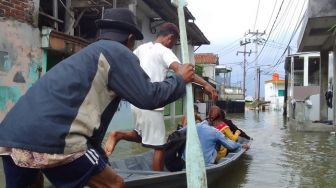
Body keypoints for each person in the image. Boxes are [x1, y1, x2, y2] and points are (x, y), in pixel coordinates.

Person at [0, 8, 195, 188]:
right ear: (129, 39)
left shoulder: (87, 53)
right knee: (115, 184)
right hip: (55, 138)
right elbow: (150, 97)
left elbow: (92, 126)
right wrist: (179, 80)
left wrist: (101, 159)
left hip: (12, 136)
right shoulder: (118, 51)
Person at [104, 22, 217, 171]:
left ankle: (117, 134)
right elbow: (183, 72)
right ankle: (157, 179)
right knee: (160, 147)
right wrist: (206, 85)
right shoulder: (163, 50)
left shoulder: (141, 48)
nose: (173, 45)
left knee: (140, 136)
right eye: (174, 41)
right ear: (170, 38)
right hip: (152, 103)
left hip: (135, 102)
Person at [179, 120, 249, 165]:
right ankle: (214, 162)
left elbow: (176, 134)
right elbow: (230, 145)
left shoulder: (191, 127)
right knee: (217, 142)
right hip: (206, 162)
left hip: (186, 161)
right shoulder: (215, 131)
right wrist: (240, 145)